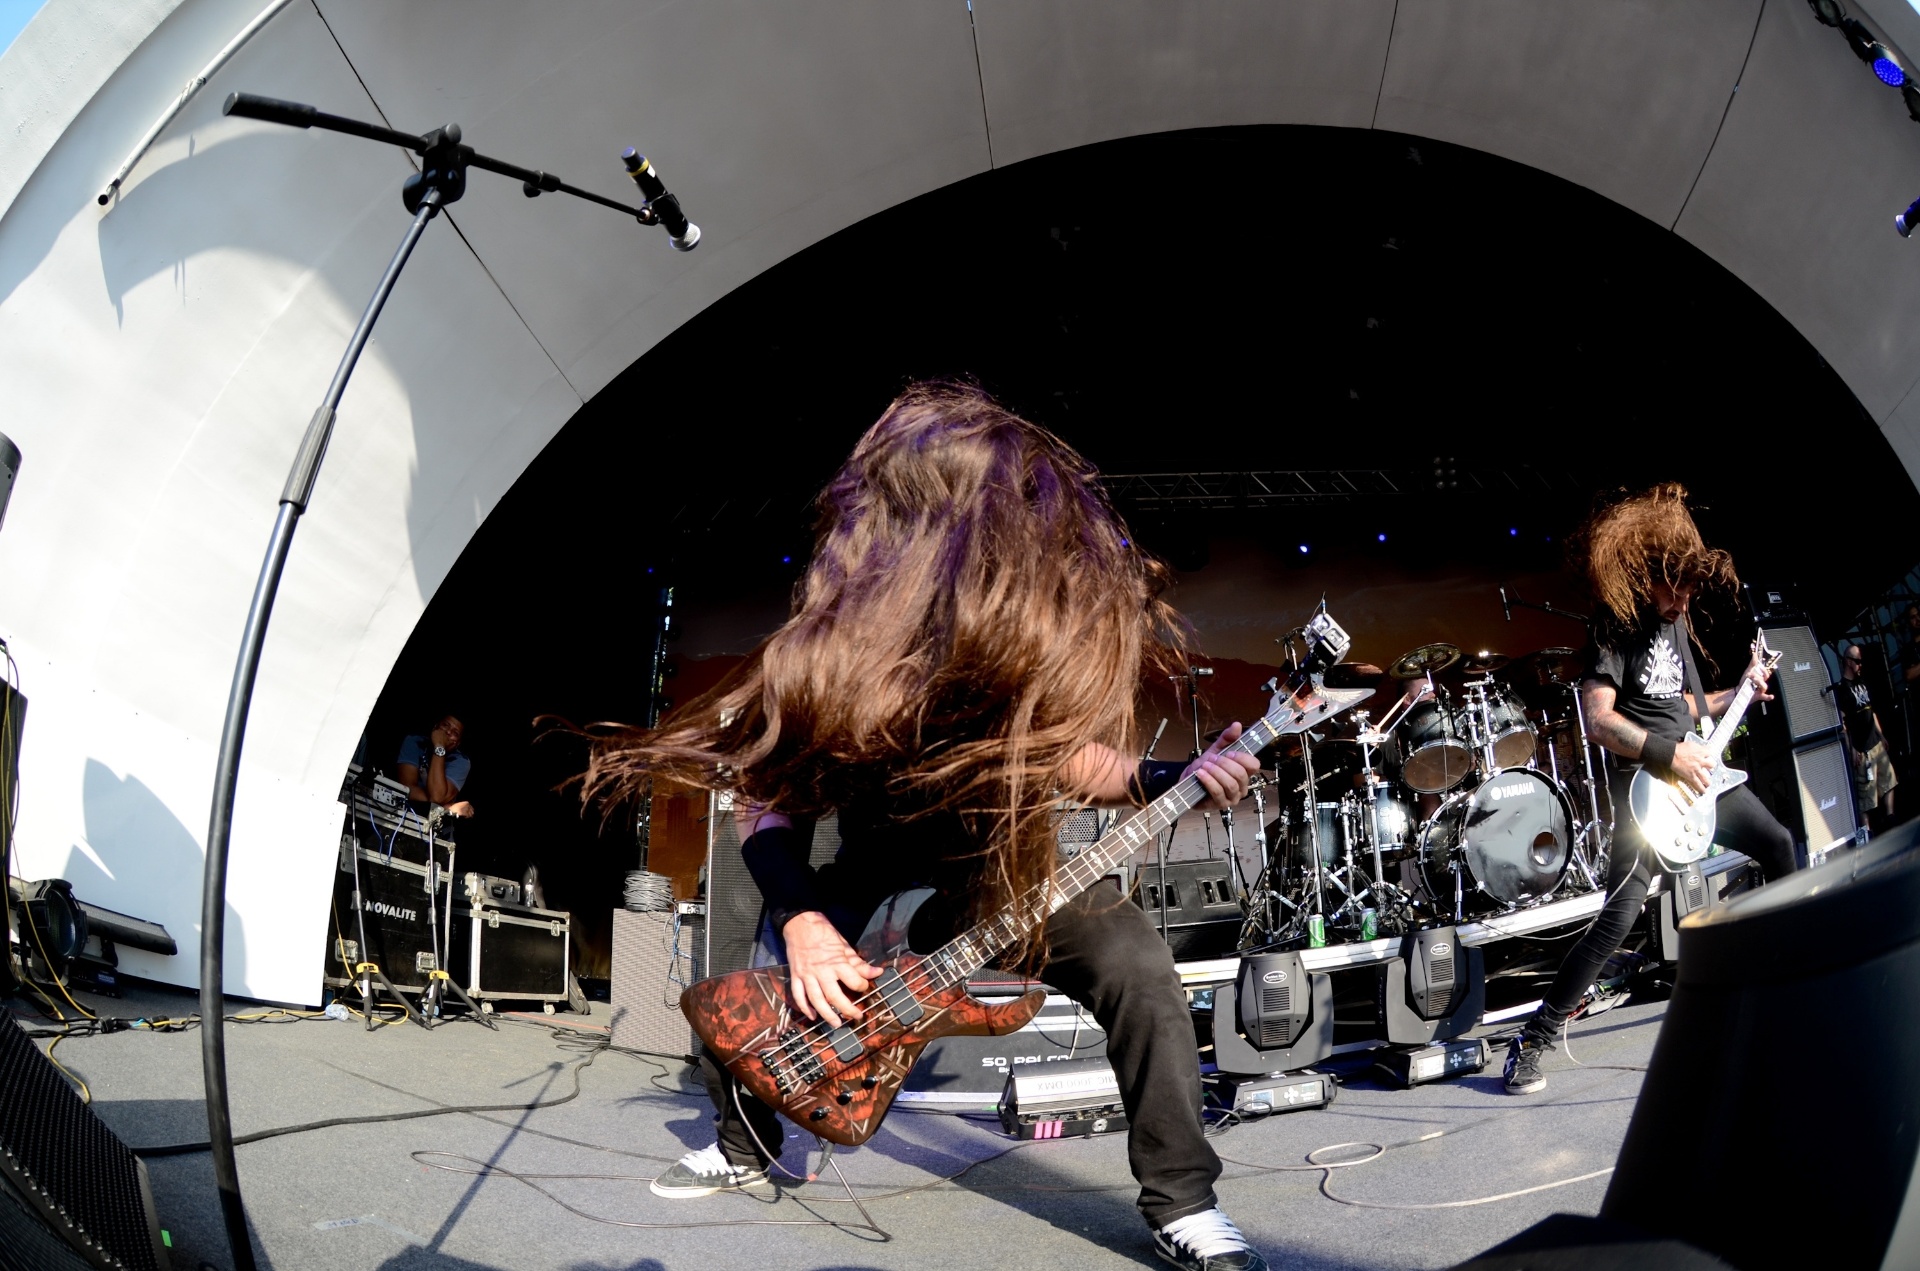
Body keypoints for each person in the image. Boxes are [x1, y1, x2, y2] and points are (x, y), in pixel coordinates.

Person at [582, 385, 1270, 1271]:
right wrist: (803, 921)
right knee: (765, 971)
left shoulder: (1005, 646)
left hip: (996, 873)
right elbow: (768, 801)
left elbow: (1072, 761)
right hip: (873, 871)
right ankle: (744, 1147)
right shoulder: (845, 645)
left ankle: (1183, 1201)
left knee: (1136, 960)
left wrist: (1175, 776)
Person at [1504, 484, 1795, 1096]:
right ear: (1648, 576)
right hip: (1648, 794)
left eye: (1690, 588)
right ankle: (1532, 1038)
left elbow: (1682, 707)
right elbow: (1599, 720)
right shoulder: (1615, 627)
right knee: (1616, 923)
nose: (1684, 599)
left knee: (1778, 843)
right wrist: (1670, 753)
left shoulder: (1677, 627)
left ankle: (1785, 981)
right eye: (1676, 587)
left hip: (1700, 779)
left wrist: (1738, 690)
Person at [1837, 644, 1897, 826]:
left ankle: (1890, 817)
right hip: (1862, 749)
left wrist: (1881, 735)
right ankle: (1867, 833)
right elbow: (1843, 725)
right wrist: (1851, 748)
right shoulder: (1841, 690)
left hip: (1875, 742)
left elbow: (1872, 712)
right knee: (1866, 797)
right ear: (1848, 662)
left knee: (1889, 780)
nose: (1860, 665)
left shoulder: (1862, 682)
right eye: (1857, 661)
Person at [396, 713, 475, 818]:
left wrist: (439, 746)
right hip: (401, 812)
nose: (448, 732)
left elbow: (437, 796)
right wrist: (446, 807)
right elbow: (406, 789)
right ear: (435, 727)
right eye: (445, 725)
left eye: (455, 733)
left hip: (434, 825)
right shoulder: (414, 742)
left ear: (457, 743)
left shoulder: (461, 761)